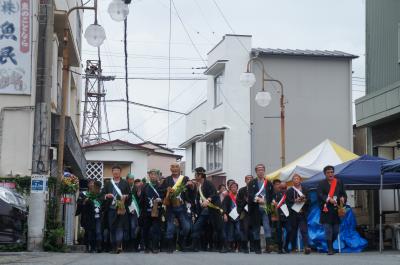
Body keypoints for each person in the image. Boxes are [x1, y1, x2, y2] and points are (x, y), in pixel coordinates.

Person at [159, 163, 194, 253]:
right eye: (173, 167)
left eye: (176, 167)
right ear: (170, 169)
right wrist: (166, 190)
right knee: (170, 227)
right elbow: (161, 191)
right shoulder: (167, 180)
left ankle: (180, 242)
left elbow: (191, 191)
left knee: (187, 227)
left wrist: (192, 186)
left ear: (179, 168)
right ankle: (170, 246)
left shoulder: (185, 178)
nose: (174, 169)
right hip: (170, 206)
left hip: (182, 206)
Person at [190, 167, 226, 253]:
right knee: (196, 227)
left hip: (214, 209)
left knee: (219, 228)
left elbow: (214, 194)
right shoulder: (199, 186)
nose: (195, 176)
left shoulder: (209, 183)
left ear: (200, 175)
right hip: (205, 211)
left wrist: (208, 200)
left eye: (196, 174)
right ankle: (194, 246)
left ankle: (223, 247)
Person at [317, 165, 347, 255]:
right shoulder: (321, 183)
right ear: (325, 174)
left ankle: (329, 246)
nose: (330, 174)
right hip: (326, 210)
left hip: (336, 210)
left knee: (336, 230)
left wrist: (343, 199)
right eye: (328, 172)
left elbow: (343, 194)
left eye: (332, 172)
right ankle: (330, 249)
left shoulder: (339, 182)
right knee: (328, 230)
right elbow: (320, 195)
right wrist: (328, 199)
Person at [101, 165, 131, 254]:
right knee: (112, 228)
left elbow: (130, 195)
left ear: (120, 172)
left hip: (121, 208)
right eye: (114, 171)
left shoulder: (125, 183)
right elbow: (102, 195)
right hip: (111, 209)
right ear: (112, 172)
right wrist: (106, 195)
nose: (116, 172)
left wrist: (126, 196)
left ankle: (118, 246)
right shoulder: (108, 184)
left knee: (119, 227)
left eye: (118, 170)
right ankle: (113, 247)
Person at [248, 164, 274, 254]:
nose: (261, 171)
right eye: (259, 170)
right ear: (256, 171)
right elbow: (250, 195)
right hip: (255, 208)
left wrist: (271, 201)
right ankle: (257, 248)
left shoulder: (269, 182)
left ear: (264, 171)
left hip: (266, 207)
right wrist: (258, 199)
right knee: (256, 228)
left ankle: (269, 247)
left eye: (262, 169)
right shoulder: (252, 182)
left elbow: (272, 195)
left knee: (267, 227)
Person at [286, 174, 311, 254]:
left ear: (300, 180)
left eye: (297, 179)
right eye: (294, 179)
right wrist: (295, 201)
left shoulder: (305, 189)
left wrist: (304, 200)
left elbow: (309, 200)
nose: (296, 180)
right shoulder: (289, 191)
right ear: (292, 181)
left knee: (304, 230)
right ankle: (293, 247)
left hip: (302, 213)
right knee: (294, 231)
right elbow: (287, 202)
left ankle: (306, 247)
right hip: (293, 213)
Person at [140, 169, 164, 253]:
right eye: (151, 174)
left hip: (157, 211)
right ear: (149, 176)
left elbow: (164, 198)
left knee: (156, 230)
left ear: (157, 176)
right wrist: (142, 212)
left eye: (155, 174)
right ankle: (147, 247)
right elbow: (141, 200)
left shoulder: (161, 186)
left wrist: (160, 200)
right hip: (146, 212)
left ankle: (155, 247)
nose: (153, 176)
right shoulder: (145, 186)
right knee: (146, 230)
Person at [76, 180, 103, 253]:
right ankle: (88, 247)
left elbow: (102, 204)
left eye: (93, 184)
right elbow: (79, 203)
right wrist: (84, 202)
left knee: (96, 232)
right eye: (91, 183)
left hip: (97, 216)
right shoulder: (84, 194)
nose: (92, 185)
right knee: (88, 232)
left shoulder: (99, 194)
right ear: (88, 185)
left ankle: (95, 247)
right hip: (87, 216)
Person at [271, 179, 290, 254]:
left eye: (285, 188)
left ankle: (286, 246)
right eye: (282, 188)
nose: (283, 189)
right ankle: (279, 248)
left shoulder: (288, 194)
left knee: (289, 230)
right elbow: (272, 205)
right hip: (278, 216)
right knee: (279, 233)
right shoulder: (274, 195)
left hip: (287, 216)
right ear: (279, 188)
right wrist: (273, 215)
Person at [222, 181, 242, 252]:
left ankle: (238, 246)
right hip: (230, 217)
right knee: (230, 232)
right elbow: (224, 206)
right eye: (232, 187)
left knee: (238, 231)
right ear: (230, 188)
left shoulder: (240, 197)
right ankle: (230, 247)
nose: (234, 188)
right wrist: (224, 214)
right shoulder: (227, 197)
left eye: (235, 187)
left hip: (238, 217)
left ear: (237, 188)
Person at [236, 175, 253, 253]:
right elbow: (238, 202)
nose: (249, 180)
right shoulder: (242, 190)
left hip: (254, 212)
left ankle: (253, 246)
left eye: (251, 179)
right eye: (247, 179)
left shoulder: (256, 189)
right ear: (245, 181)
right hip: (245, 212)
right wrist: (245, 201)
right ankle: (245, 247)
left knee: (253, 230)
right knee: (245, 229)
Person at [125, 173, 140, 252]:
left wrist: (139, 193)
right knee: (127, 228)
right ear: (127, 180)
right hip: (126, 210)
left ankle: (134, 245)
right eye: (130, 179)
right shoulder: (124, 187)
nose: (132, 181)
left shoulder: (136, 188)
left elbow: (139, 198)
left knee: (133, 227)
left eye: (133, 179)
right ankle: (127, 246)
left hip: (134, 211)